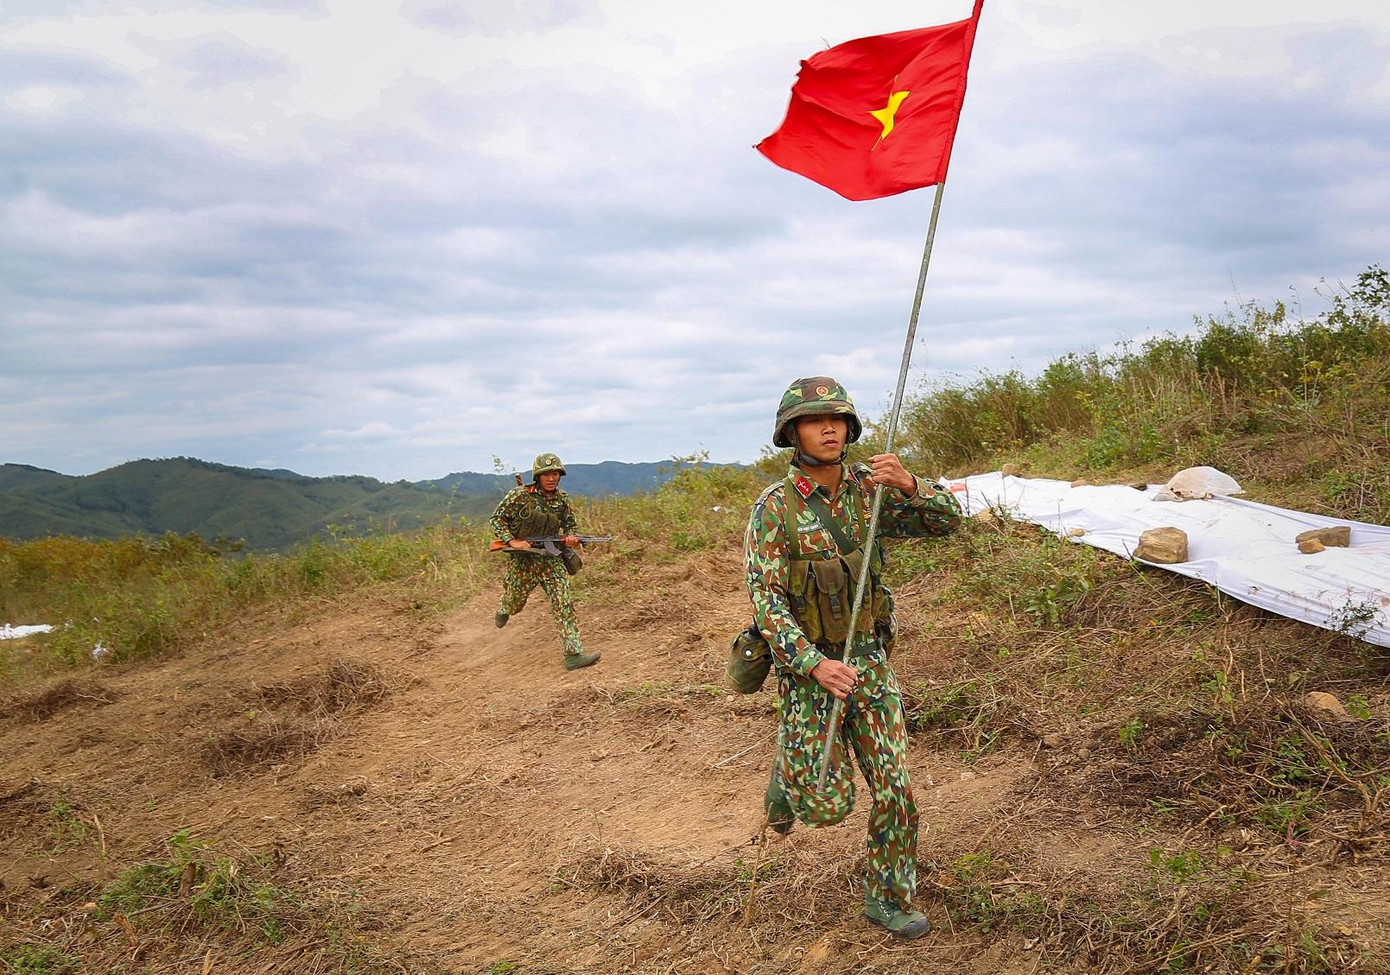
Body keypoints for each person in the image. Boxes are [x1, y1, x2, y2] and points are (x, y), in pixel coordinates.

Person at [743, 377, 962, 940]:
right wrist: (813, 664)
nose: (829, 428)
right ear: (792, 432)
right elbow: (766, 603)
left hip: (870, 662)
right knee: (826, 805)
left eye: (837, 419)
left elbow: (946, 524)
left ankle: (888, 898)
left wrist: (912, 485)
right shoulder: (775, 508)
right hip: (812, 669)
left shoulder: (872, 489)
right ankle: (789, 778)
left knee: (896, 789)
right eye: (816, 421)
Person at [490, 452, 600, 671]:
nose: (551, 478)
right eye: (546, 474)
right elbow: (497, 520)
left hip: (550, 559)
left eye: (555, 474)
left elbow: (570, 526)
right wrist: (512, 541)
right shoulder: (519, 496)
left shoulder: (562, 499)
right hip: (523, 562)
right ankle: (504, 608)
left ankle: (573, 654)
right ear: (537, 476)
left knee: (563, 602)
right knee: (515, 603)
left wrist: (571, 538)